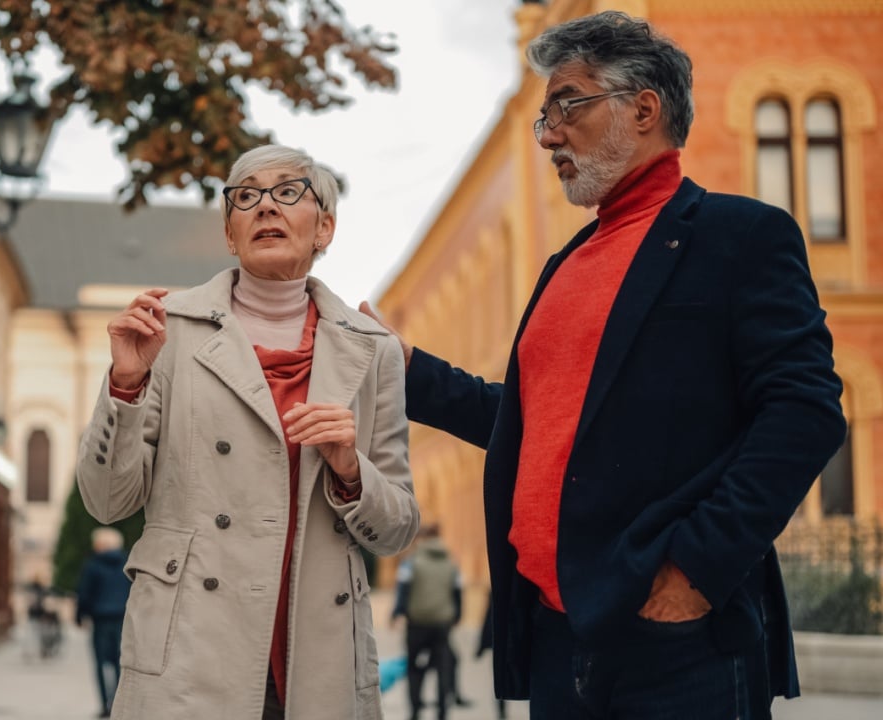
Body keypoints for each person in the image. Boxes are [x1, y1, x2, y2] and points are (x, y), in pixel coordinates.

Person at [361, 11, 845, 720]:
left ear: (643, 108)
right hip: (563, 639)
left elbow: (805, 412)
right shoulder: (565, 266)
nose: (550, 133)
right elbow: (534, 424)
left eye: (568, 105)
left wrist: (696, 572)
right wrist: (406, 368)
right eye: (544, 117)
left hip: (679, 642)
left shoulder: (740, 237)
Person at [76, 143, 419, 719]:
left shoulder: (374, 350)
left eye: (288, 193)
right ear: (229, 233)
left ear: (325, 228)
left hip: (319, 658)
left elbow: (397, 530)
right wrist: (126, 386)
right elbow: (107, 501)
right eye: (247, 196)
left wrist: (351, 467)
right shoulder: (168, 332)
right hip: (190, 654)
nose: (266, 207)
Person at [391, 525, 469, 720]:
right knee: (443, 666)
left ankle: (415, 709)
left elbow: (403, 590)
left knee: (414, 667)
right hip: (442, 624)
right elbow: (458, 592)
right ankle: (443, 711)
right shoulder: (452, 563)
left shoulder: (411, 562)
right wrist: (457, 616)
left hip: (416, 623)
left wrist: (397, 613)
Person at [75, 527, 132, 718]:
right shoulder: (127, 562)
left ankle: (104, 705)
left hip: (100, 619)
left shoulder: (93, 564)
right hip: (122, 618)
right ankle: (117, 703)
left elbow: (84, 594)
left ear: (100, 544)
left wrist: (80, 615)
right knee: (119, 661)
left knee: (100, 663)